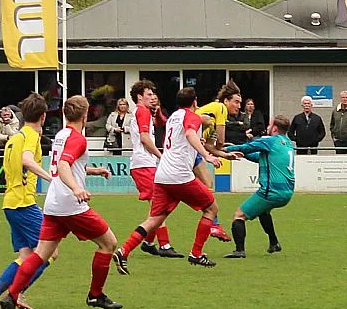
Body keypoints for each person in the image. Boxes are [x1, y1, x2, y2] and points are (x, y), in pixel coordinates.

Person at [0, 95, 123, 309]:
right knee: (109, 243)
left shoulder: (61, 135)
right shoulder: (78, 139)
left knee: (41, 253)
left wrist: (92, 171)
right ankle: (95, 295)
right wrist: (76, 188)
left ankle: (12, 295)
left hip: (53, 204)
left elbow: (63, 165)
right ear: (85, 116)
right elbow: (65, 164)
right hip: (71, 205)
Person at [113, 87, 225, 276]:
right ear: (195, 102)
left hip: (162, 175)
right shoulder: (190, 116)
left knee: (155, 219)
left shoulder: (174, 117)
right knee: (211, 208)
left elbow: (181, 133)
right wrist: (206, 155)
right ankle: (196, 253)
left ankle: (124, 251)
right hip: (180, 175)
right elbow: (189, 134)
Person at [0, 93, 54, 309]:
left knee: (26, 256)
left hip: (10, 202)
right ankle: (16, 292)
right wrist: (51, 178)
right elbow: (27, 161)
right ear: (43, 116)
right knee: (49, 252)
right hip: (23, 203)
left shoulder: (14, 138)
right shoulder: (31, 136)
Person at [218, 115, 294, 258]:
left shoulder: (270, 141)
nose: (267, 127)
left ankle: (239, 251)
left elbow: (246, 147)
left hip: (271, 191)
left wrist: (222, 150)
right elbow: (259, 157)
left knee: (239, 215)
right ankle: (274, 243)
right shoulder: (287, 144)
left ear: (274, 128)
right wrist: (243, 154)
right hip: (287, 192)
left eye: (269, 125)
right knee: (263, 211)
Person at [128, 80, 183, 258]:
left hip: (144, 163)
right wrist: (161, 156)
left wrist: (158, 113)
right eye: (149, 94)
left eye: (153, 94)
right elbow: (144, 138)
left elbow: (161, 124)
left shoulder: (143, 112)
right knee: (160, 204)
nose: (153, 97)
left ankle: (149, 242)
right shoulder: (142, 111)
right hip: (144, 164)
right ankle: (164, 244)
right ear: (139, 97)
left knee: (157, 205)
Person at [194, 79, 242, 242]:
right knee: (207, 185)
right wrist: (222, 149)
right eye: (236, 102)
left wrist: (225, 155)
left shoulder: (213, 114)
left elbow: (209, 146)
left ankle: (213, 224)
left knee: (203, 186)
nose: (238, 106)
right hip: (188, 150)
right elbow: (220, 141)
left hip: (190, 150)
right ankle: (213, 225)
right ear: (226, 100)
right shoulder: (220, 108)